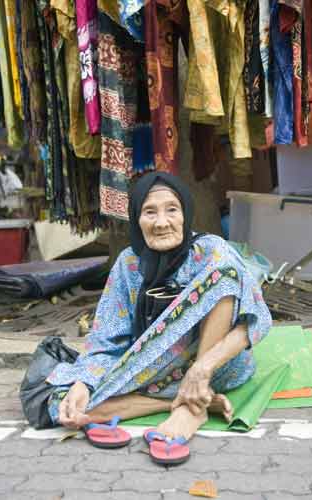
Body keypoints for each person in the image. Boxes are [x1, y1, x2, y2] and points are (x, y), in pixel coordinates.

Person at [46, 172, 272, 444]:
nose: (162, 223)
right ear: (136, 219)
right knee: (65, 405)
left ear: (186, 214)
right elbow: (106, 340)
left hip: (216, 368)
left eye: (172, 210)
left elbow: (255, 321)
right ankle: (187, 402)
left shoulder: (211, 251)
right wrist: (83, 383)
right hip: (154, 373)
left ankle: (192, 405)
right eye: (149, 212)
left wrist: (201, 369)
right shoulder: (128, 264)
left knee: (223, 276)